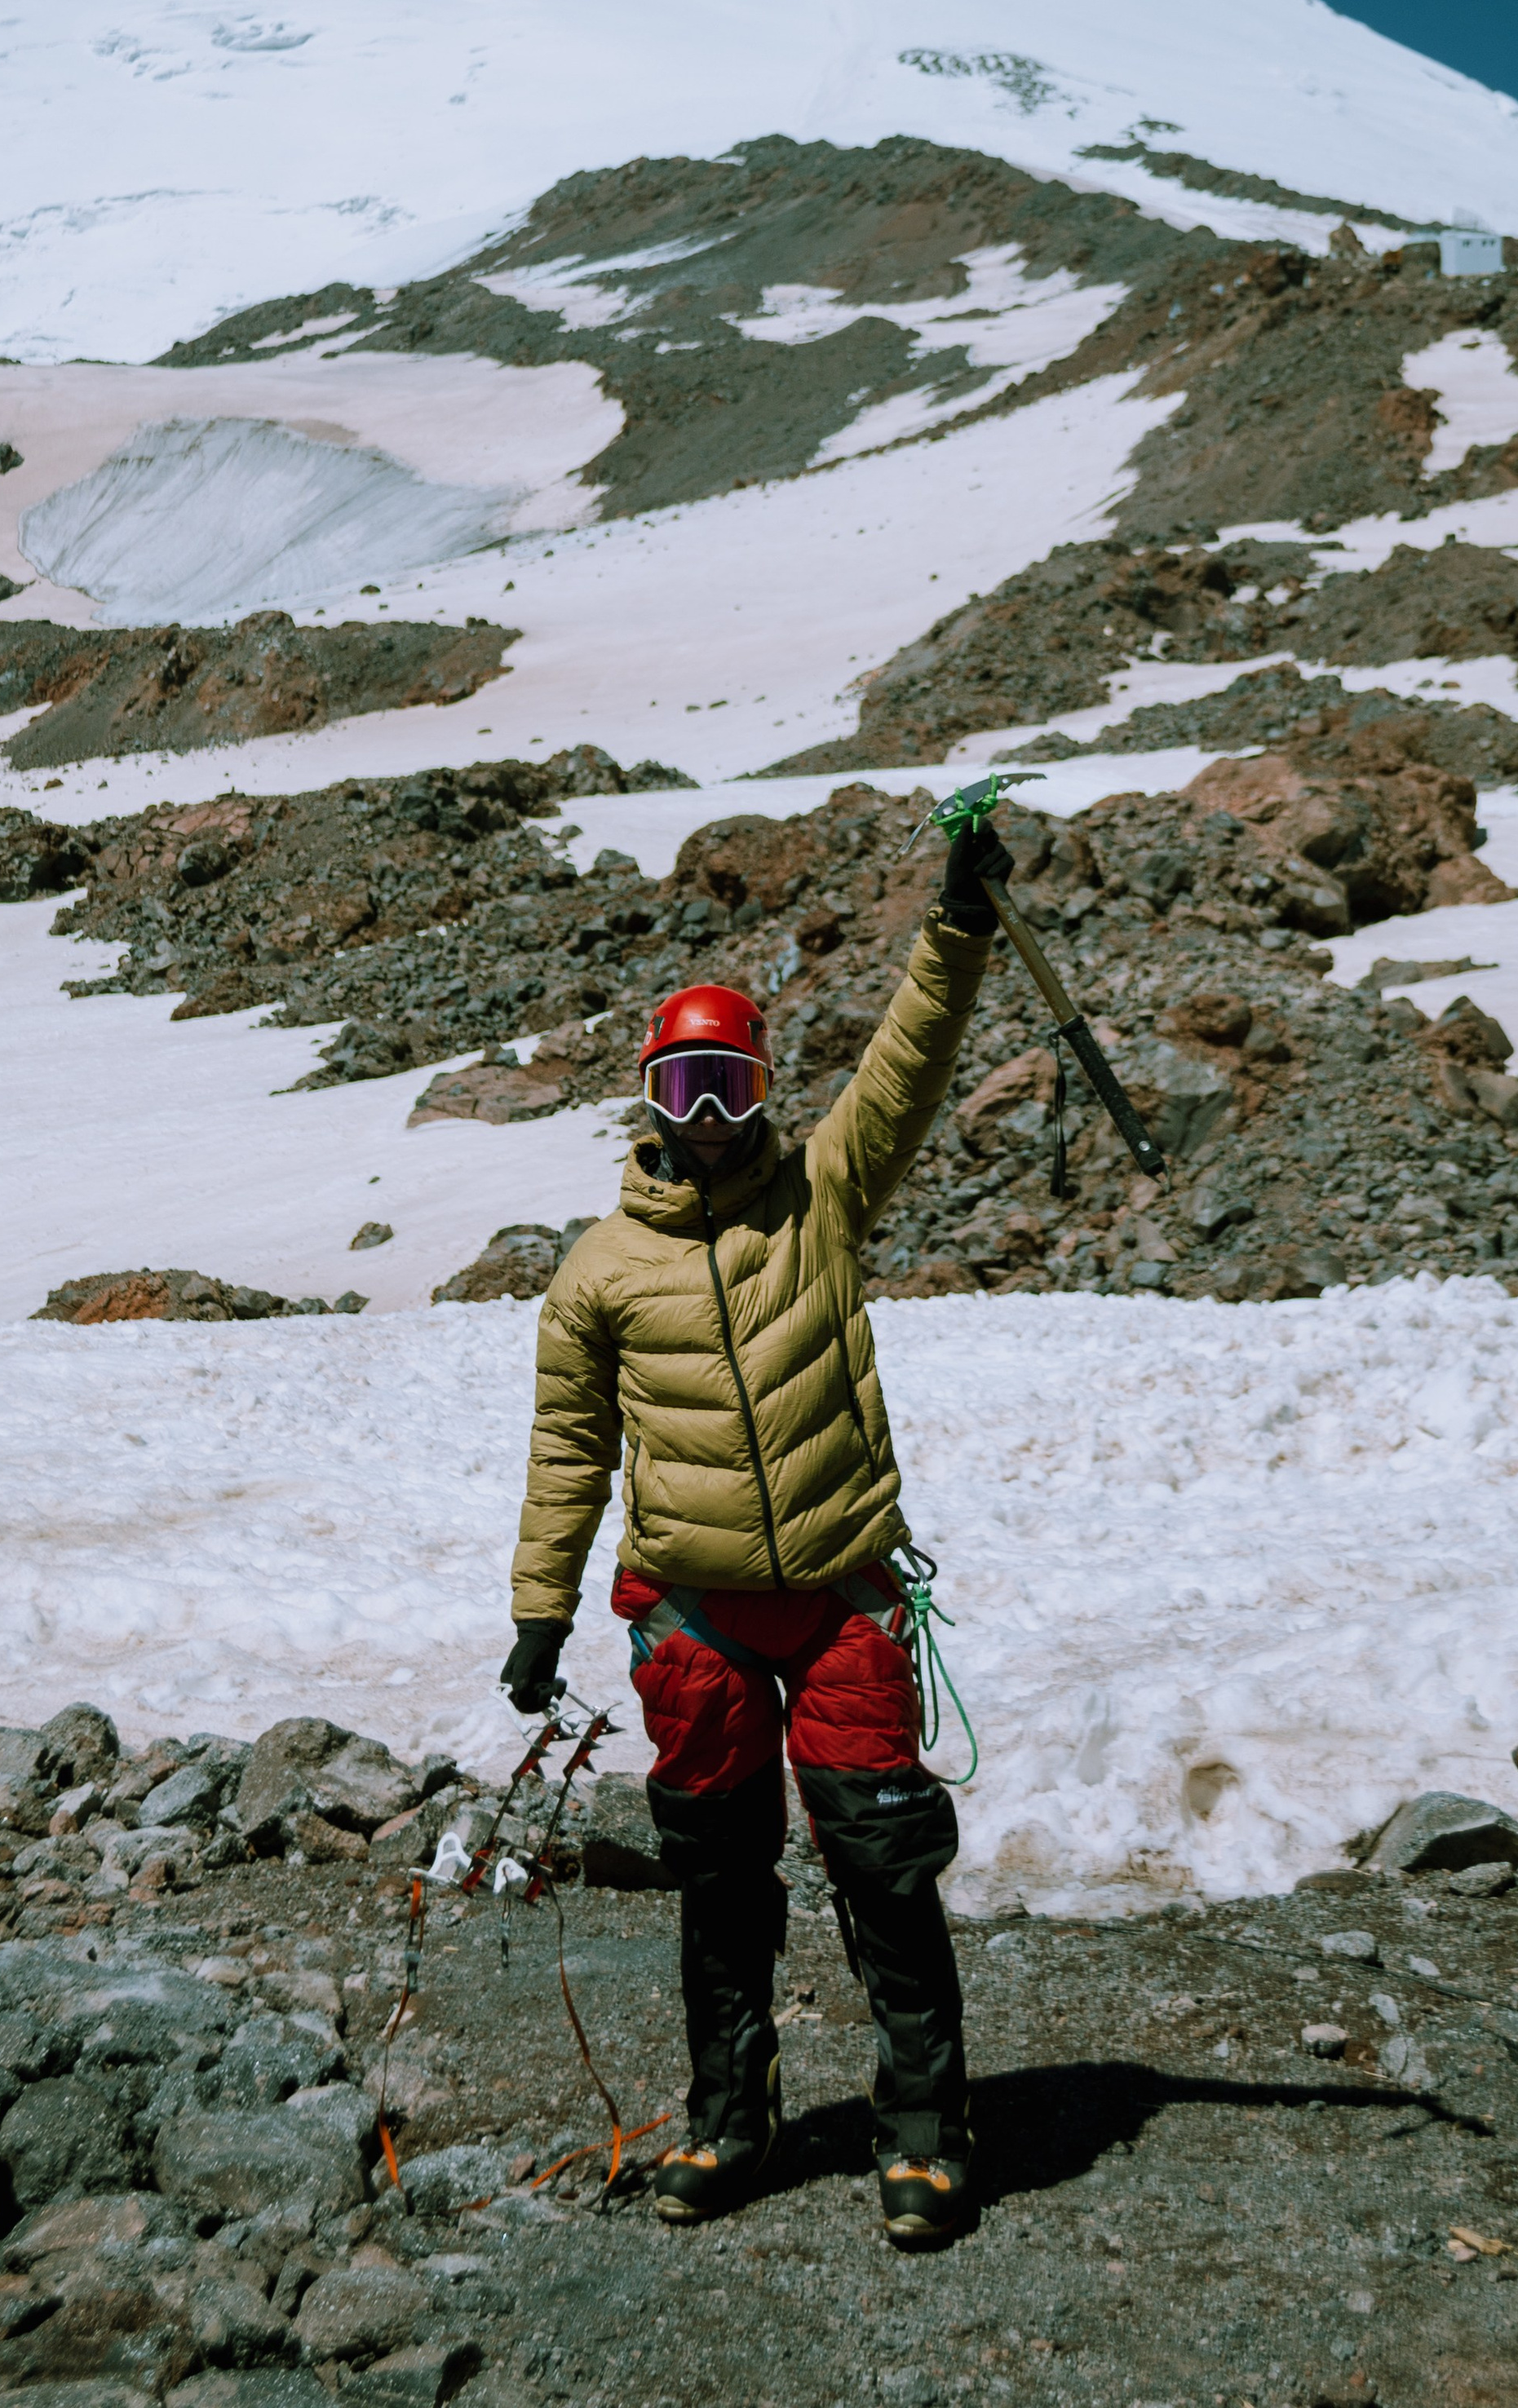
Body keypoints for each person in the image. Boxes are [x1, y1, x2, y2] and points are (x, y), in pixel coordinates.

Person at [500, 814, 1013, 2246]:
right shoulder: (597, 1273)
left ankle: (925, 2135)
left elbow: (907, 1065)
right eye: (686, 1084)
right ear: (649, 1100)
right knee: (721, 1889)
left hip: (843, 1597)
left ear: (766, 1093)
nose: (712, 1113)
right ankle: (733, 2125)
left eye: (733, 1084)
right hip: (695, 1619)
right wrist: (543, 1608)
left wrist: (958, 923)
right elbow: (568, 1449)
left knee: (885, 1872)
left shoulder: (823, 1195)